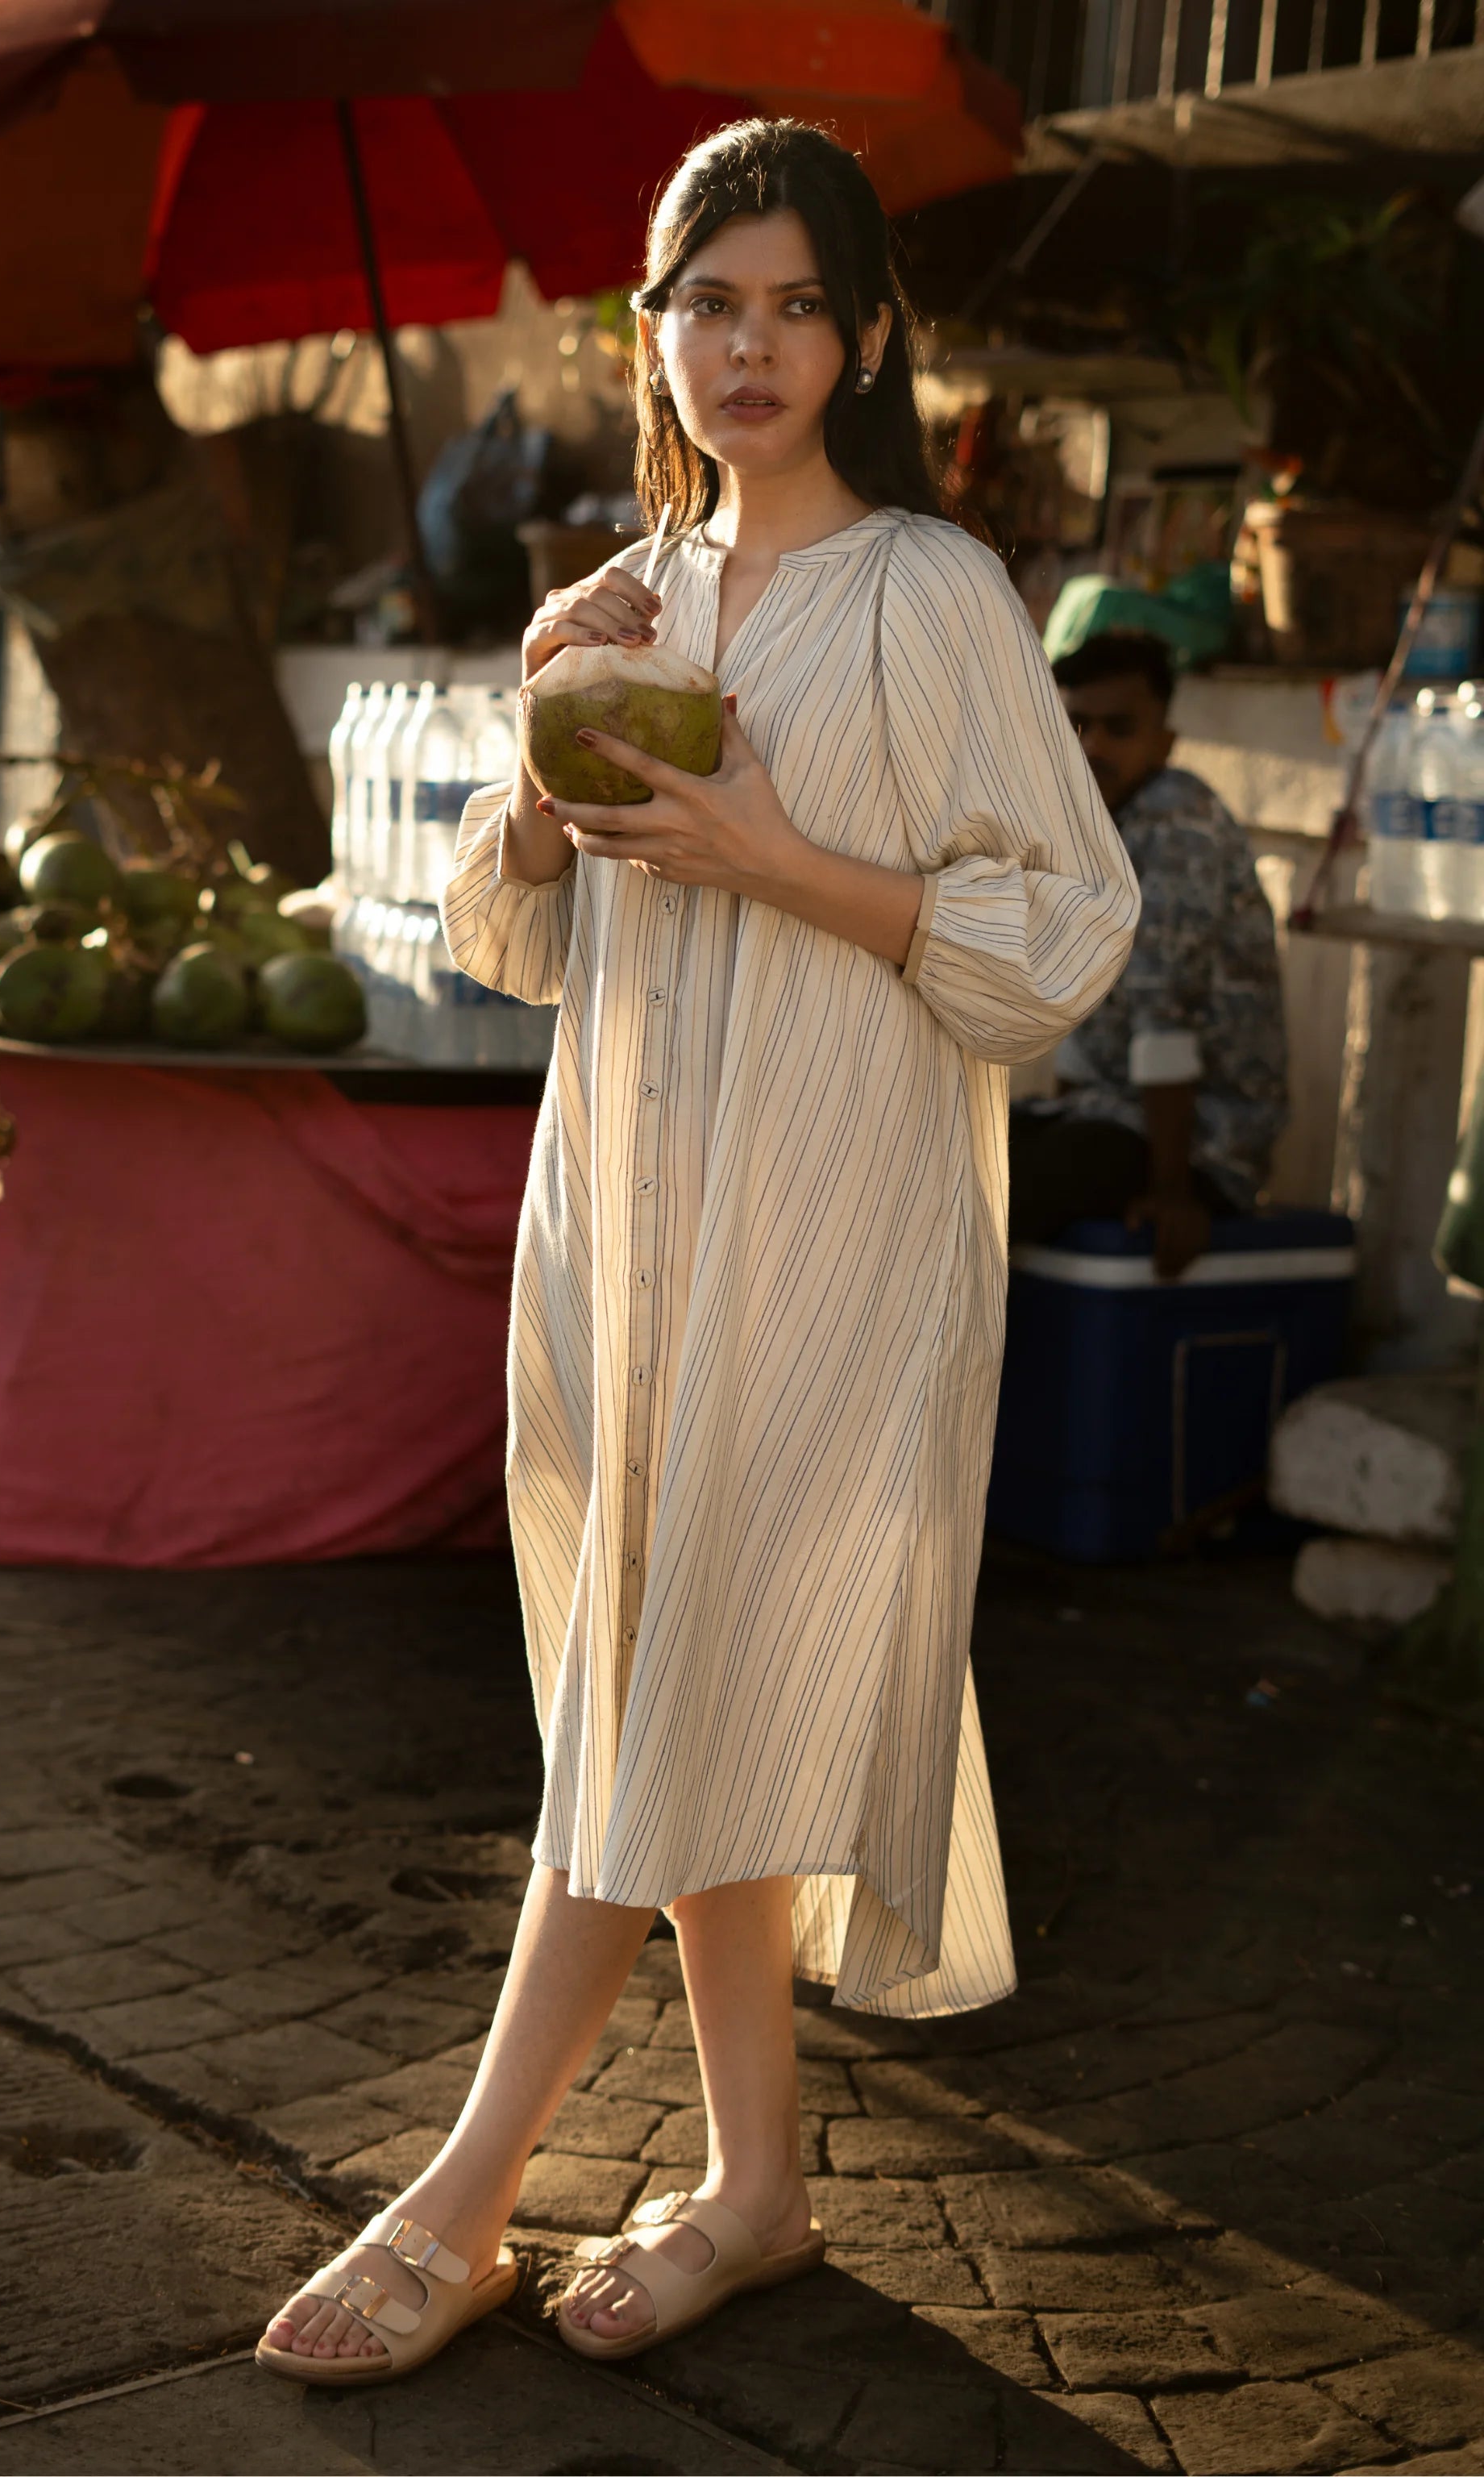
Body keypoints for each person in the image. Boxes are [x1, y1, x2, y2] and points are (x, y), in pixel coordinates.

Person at [255, 118, 1138, 2390]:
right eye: (706, 302)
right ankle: (755, 2185)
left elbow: (1064, 933)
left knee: (666, 1679)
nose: (747, 346)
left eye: (793, 303)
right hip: (635, 1206)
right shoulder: (636, 592)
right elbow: (522, 939)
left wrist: (770, 851)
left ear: (860, 339)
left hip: (835, 1215)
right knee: (675, 1655)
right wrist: (549, 783)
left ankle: (460, 2199)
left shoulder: (933, 591)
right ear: (649, 331)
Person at [1008, 631, 1287, 1279]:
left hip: (1199, 1147)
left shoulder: (1179, 822)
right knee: (942, 1151)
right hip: (1111, 1117)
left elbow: (1164, 1021)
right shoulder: (1097, 817)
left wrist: (1174, 1195)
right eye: (1076, 724)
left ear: (1164, 741)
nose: (1093, 746)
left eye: (1119, 728)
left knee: (995, 1196)